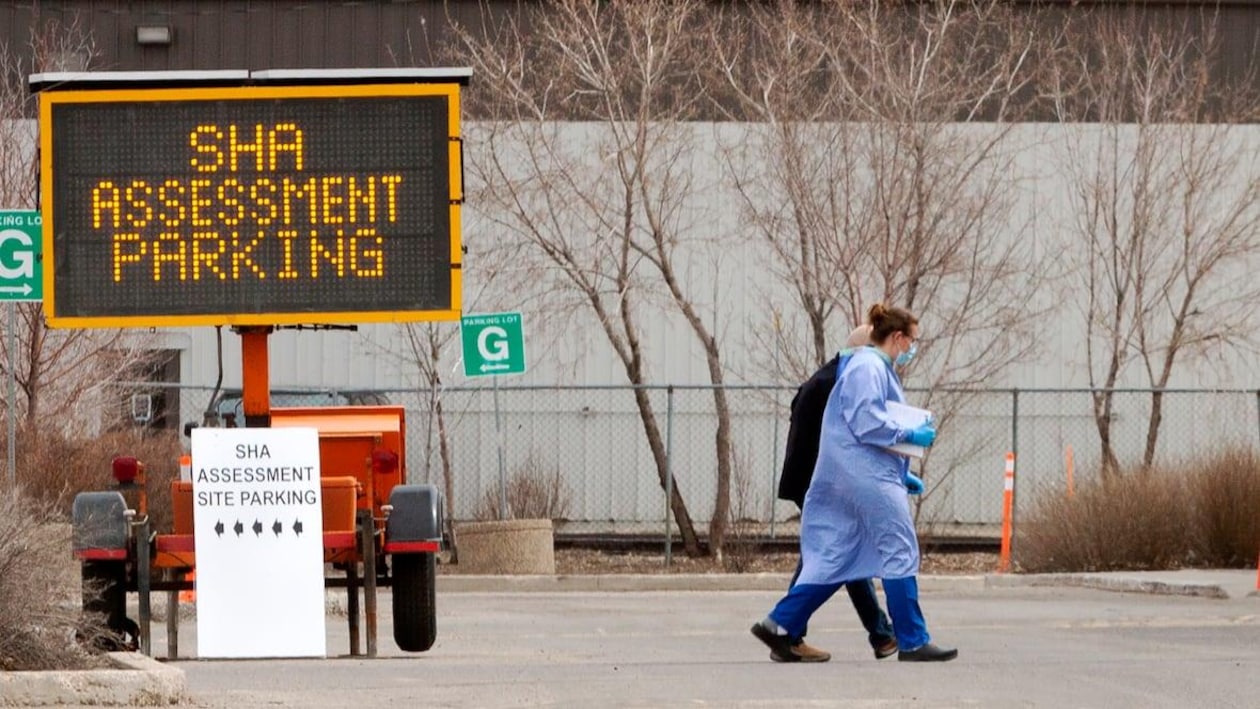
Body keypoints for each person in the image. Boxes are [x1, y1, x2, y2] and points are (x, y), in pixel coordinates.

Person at [752, 303, 957, 663]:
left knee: (838, 554)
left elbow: (850, 428)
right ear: (897, 337)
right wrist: (910, 434)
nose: (913, 347)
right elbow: (867, 422)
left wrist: (900, 471)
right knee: (899, 551)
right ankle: (911, 639)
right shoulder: (869, 367)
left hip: (853, 475)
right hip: (868, 479)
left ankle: (780, 622)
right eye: (912, 340)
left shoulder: (864, 366)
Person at [772, 324, 900, 663]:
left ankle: (786, 630)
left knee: (830, 553)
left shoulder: (825, 378)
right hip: (824, 482)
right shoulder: (841, 383)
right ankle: (879, 634)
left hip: (814, 480)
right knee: (842, 552)